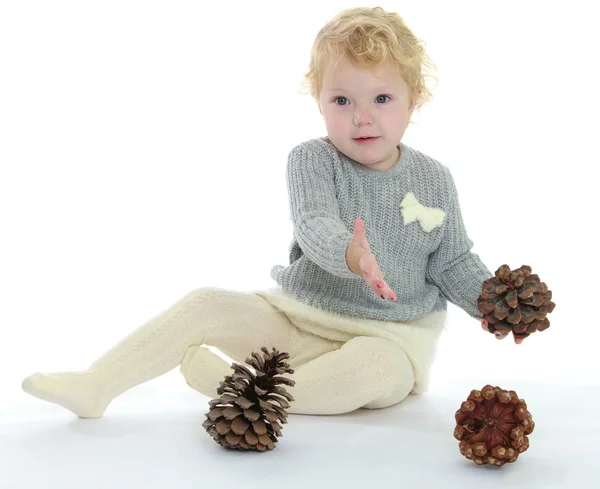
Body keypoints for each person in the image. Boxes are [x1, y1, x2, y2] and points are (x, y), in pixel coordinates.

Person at [20, 6, 514, 420]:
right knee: (206, 301)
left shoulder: (434, 180)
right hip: (298, 321)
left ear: (414, 101)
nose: (362, 117)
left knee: (376, 371)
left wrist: (492, 303)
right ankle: (98, 384)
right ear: (319, 101)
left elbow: (452, 261)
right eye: (342, 99)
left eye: (382, 99)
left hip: (387, 338)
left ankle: (246, 391)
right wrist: (350, 254)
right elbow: (315, 223)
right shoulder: (312, 160)